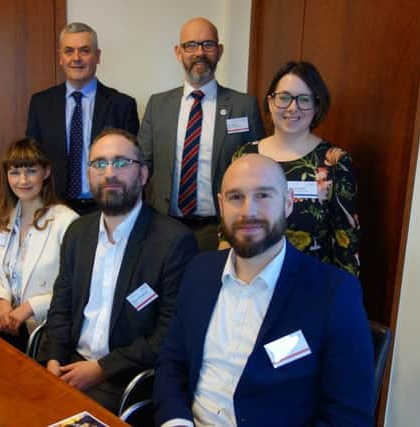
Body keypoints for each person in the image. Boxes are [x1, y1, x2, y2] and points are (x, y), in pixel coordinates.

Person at [154, 154, 374, 427]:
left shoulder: (334, 293)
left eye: (263, 196)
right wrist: (176, 422)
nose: (249, 211)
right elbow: (172, 362)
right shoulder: (199, 271)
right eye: (236, 197)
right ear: (221, 206)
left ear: (288, 202)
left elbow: (349, 418)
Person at [38, 128, 198, 413]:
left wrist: (101, 369)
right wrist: (52, 360)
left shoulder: (174, 241)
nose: (109, 173)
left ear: (143, 175)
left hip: (122, 379)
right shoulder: (77, 232)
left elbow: (168, 335)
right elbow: (60, 307)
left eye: (122, 163)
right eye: (99, 163)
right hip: (67, 365)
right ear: (89, 174)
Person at [139, 17, 264, 252]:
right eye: (191, 45)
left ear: (220, 51)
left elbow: (256, 170)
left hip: (220, 229)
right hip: (165, 226)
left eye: (208, 44)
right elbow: (141, 167)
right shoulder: (157, 105)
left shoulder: (243, 106)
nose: (200, 52)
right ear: (178, 52)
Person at [233, 61, 360, 276]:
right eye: (284, 98)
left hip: (310, 285)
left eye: (304, 99)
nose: (293, 108)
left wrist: (344, 299)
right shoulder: (245, 156)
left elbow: (346, 241)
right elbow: (229, 224)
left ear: (317, 106)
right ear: (271, 102)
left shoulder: (335, 161)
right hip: (250, 280)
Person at [26, 22, 139, 215]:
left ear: (98, 56)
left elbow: (132, 164)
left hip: (106, 207)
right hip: (55, 207)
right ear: (60, 57)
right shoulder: (40, 104)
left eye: (84, 51)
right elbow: (32, 159)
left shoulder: (122, 105)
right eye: (69, 51)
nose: (76, 58)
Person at [0, 138, 78, 351]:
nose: (22, 180)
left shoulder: (67, 221)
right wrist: (2, 304)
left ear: (46, 172)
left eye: (31, 171)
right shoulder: (3, 217)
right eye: (14, 172)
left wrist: (27, 309)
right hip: (6, 316)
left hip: (43, 325)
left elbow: (75, 287)